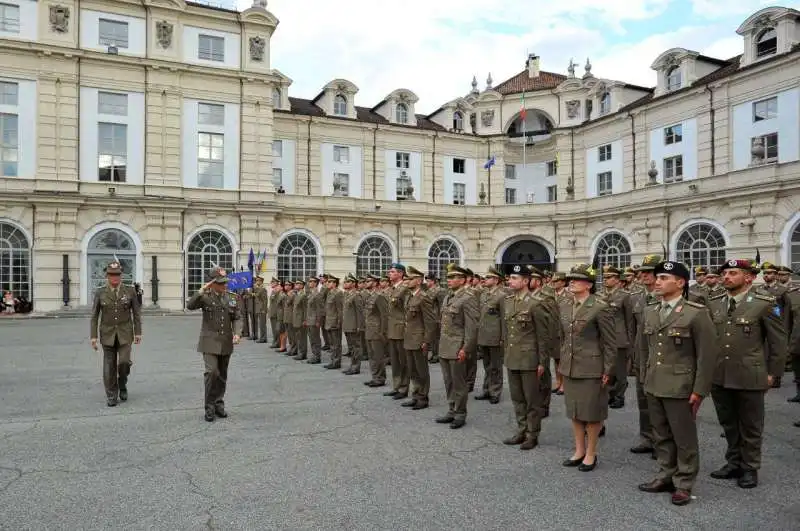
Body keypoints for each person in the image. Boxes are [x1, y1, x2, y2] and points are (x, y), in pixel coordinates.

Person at [636, 261, 717, 506]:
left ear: (680, 283)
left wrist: (699, 390)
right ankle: (665, 475)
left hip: (681, 385)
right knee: (660, 434)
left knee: (683, 437)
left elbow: (706, 355)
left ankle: (684, 483)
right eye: (657, 277)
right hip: (654, 382)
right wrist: (643, 377)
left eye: (663, 278)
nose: (657, 282)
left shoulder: (695, 312)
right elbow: (643, 349)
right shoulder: (650, 310)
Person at [707, 259, 786, 489]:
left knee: (751, 425)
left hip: (750, 373)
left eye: (733, 273)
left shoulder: (765, 302)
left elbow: (778, 342)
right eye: (725, 273)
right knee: (729, 422)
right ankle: (733, 463)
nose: (726, 277)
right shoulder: (715, 303)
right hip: (720, 373)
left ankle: (750, 468)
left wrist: (773, 373)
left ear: (749, 277)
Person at [559, 263, 615, 472]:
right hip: (571, 366)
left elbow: (610, 342)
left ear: (589, 285)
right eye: (570, 278)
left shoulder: (600, 307)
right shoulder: (565, 305)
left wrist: (608, 370)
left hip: (592, 367)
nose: (571, 281)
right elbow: (563, 337)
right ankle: (579, 450)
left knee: (592, 412)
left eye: (576, 279)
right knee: (574, 411)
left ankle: (591, 453)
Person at [502, 264, 550, 450]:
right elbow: (507, 332)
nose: (510, 281)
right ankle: (521, 430)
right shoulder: (508, 301)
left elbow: (543, 336)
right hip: (513, 357)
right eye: (510, 278)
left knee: (532, 399)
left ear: (526, 281)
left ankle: (532, 434)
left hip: (530, 358)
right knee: (517, 398)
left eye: (515, 278)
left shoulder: (536, 303)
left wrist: (542, 362)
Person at [186, 266, 242, 422]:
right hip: (209, 341)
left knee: (222, 375)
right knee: (212, 372)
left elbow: (237, 317)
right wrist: (202, 290)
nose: (224, 285)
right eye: (220, 283)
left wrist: (237, 333)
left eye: (225, 282)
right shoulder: (205, 296)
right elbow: (190, 306)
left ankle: (219, 403)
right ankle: (209, 406)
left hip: (225, 341)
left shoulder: (231, 297)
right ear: (212, 283)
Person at [90, 260, 142, 407]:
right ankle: (112, 395)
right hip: (107, 334)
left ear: (121, 275)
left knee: (124, 363)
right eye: (112, 275)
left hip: (125, 333)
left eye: (117, 275)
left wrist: (138, 333)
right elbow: (94, 316)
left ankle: (122, 383)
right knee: (109, 367)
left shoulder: (130, 291)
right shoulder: (100, 292)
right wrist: (93, 336)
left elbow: (136, 313)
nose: (115, 278)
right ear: (107, 276)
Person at [435, 264, 479, 429]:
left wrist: (465, 348)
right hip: (445, 346)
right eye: (449, 277)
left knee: (459, 383)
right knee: (448, 381)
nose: (450, 280)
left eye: (454, 278)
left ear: (463, 280)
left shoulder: (468, 298)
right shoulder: (448, 297)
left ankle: (460, 413)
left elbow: (471, 327)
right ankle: (451, 409)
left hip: (457, 346)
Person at [476, 266, 506, 404]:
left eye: (488, 277)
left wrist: (503, 338)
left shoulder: (501, 295)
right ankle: (486, 389)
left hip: (495, 336)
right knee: (487, 365)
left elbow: (504, 319)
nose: (484, 280)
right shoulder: (484, 294)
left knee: (496, 366)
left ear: (495, 279)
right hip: (484, 335)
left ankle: (495, 391)